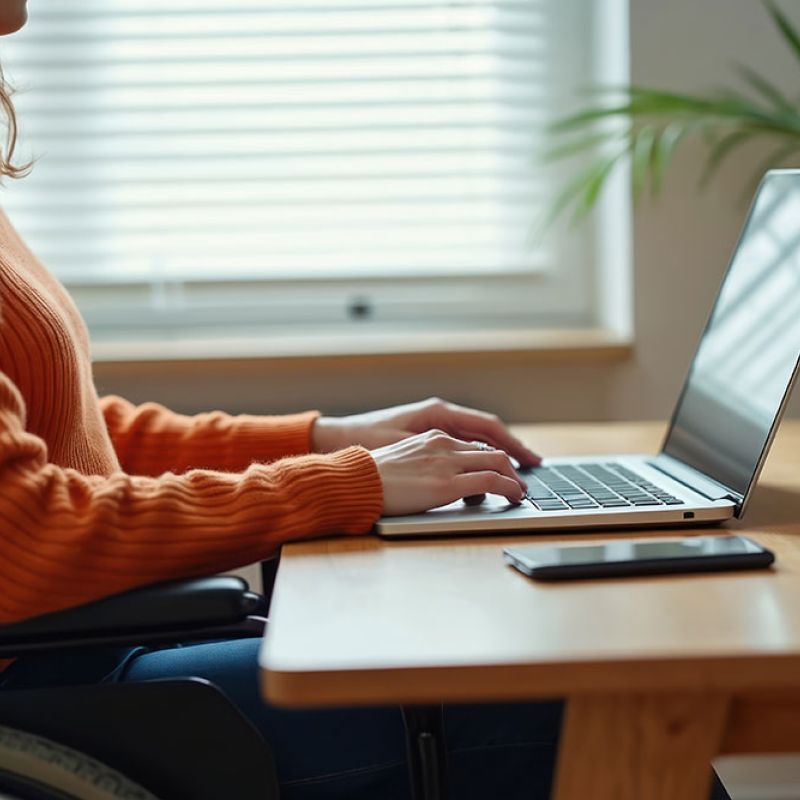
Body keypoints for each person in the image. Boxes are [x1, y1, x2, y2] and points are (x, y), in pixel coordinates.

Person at [0, 2, 732, 798]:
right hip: (58, 686)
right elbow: (22, 537)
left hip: (93, 644)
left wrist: (323, 440)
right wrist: (351, 482)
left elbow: (74, 433)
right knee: (583, 704)